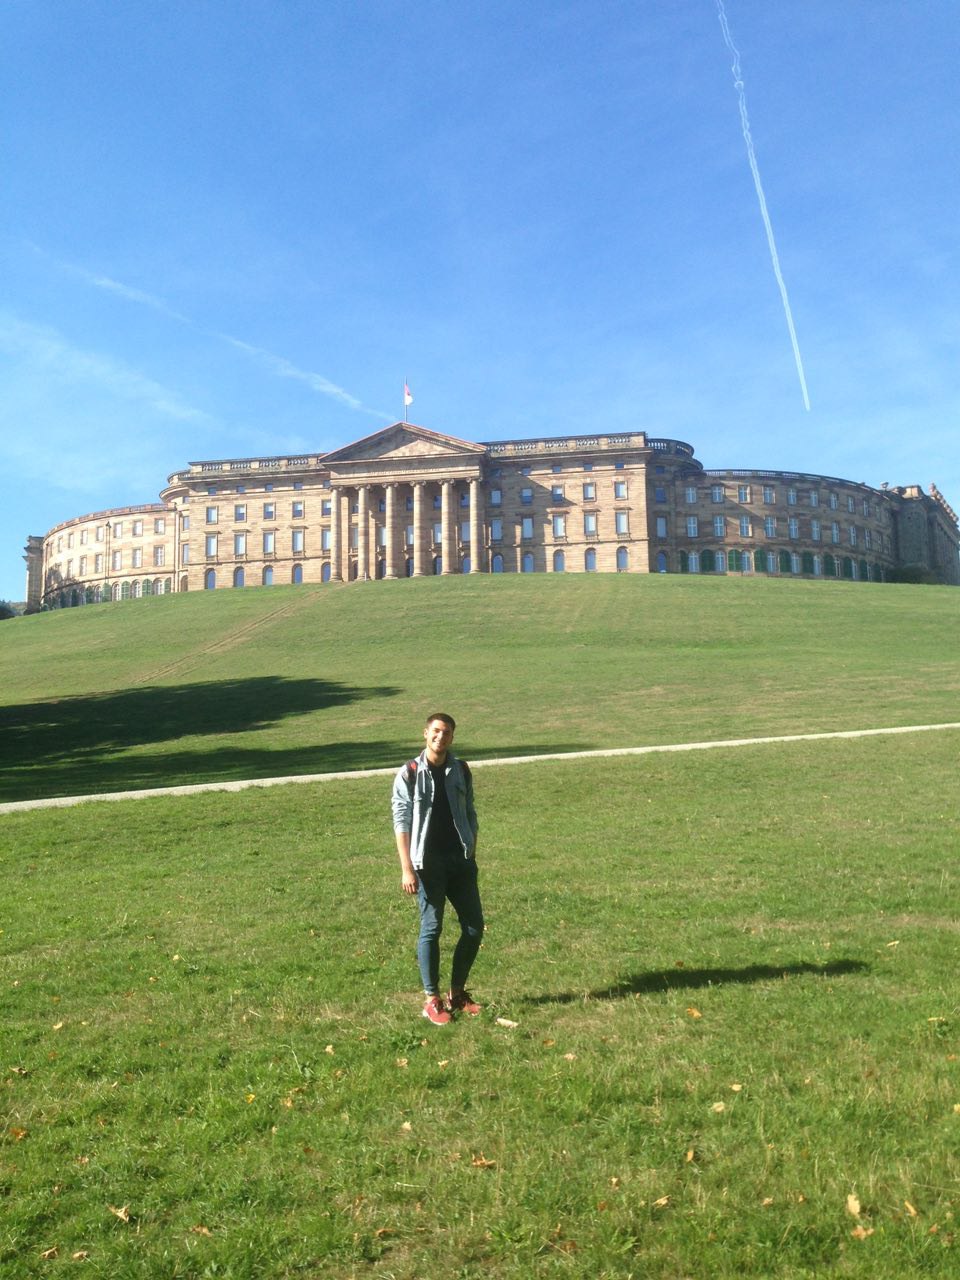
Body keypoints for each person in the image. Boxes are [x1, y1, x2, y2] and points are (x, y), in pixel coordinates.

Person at [391, 712, 484, 1025]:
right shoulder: (410, 772)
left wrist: (472, 845)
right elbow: (401, 821)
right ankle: (431, 999)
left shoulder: (461, 770)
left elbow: (469, 811)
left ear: (452, 737)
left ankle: (456, 993)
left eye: (446, 733)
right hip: (427, 864)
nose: (440, 737)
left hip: (461, 861)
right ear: (426, 733)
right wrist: (406, 868)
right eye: (436, 731)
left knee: (474, 927)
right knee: (432, 928)